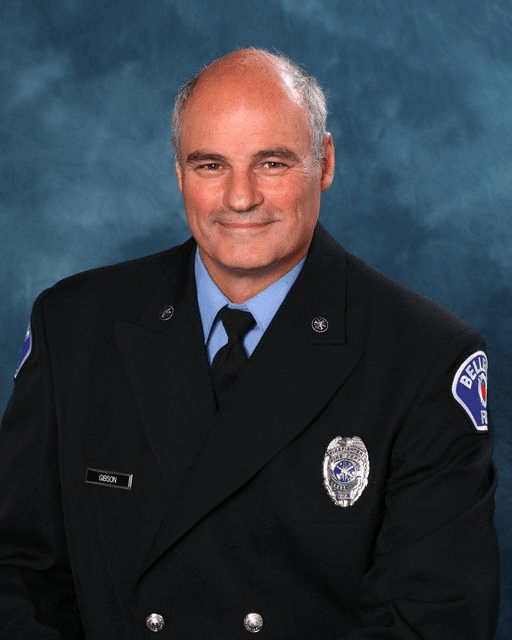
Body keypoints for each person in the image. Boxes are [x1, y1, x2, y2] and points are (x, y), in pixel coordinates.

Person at [0, 48, 499, 639]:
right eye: (211, 165)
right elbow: (17, 574)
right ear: (178, 171)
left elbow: (434, 620)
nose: (240, 198)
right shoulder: (73, 326)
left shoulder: (424, 359)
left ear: (324, 163)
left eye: (272, 163)